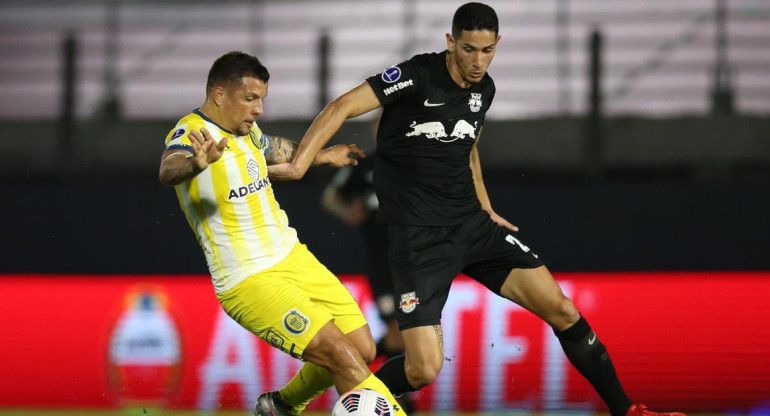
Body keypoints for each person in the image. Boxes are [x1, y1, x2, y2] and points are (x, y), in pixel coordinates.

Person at [266, 4, 687, 416]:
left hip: (472, 226)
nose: (477, 60)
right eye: (468, 49)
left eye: (487, 50)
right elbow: (341, 105)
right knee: (422, 369)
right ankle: (320, 404)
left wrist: (486, 206)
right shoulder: (415, 76)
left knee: (563, 310)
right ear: (451, 42)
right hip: (419, 240)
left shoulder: (484, 89)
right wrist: (303, 162)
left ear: (497, 44)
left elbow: (468, 148)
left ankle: (627, 410)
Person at [158, 51, 408, 416]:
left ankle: (281, 405)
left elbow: (274, 152)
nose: (258, 109)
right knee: (339, 355)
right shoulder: (193, 134)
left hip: (292, 256)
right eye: (250, 99)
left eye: (261, 99)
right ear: (219, 95)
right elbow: (168, 168)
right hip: (248, 277)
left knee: (363, 348)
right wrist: (195, 163)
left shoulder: (247, 131)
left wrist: (322, 155)